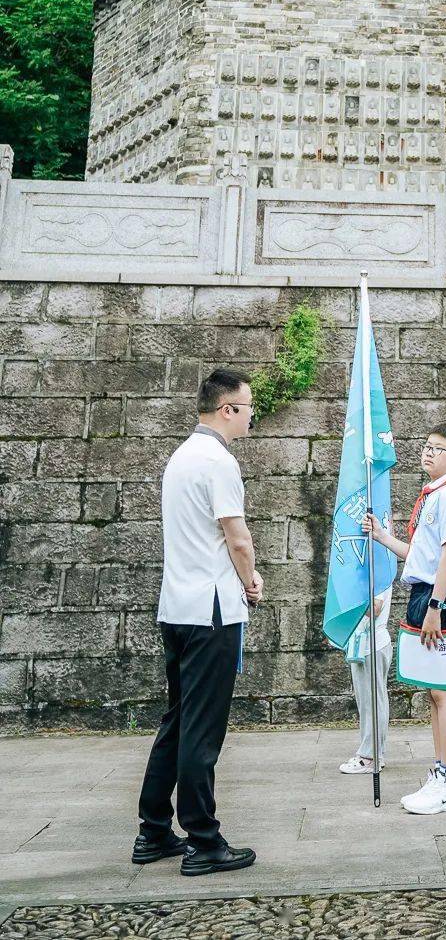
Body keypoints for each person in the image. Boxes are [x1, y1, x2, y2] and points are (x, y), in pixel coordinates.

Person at [133, 368, 260, 876]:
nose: (252, 414)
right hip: (212, 610)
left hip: (177, 607)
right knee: (202, 731)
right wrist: (251, 582)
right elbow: (238, 538)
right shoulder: (218, 462)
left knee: (179, 720)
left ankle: (153, 829)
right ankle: (204, 839)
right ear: (227, 409)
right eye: (248, 406)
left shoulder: (181, 457)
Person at [363, 423, 446, 815]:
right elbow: (420, 555)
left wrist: (436, 608)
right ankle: (441, 772)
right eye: (426, 446)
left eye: (437, 448)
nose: (428, 452)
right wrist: (381, 536)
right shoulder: (432, 496)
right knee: (432, 691)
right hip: (424, 592)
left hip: (442, 599)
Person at [340, 585, 393, 776]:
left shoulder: (377, 571)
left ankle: (370, 757)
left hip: (372, 644)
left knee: (372, 702)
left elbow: (375, 608)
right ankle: (373, 754)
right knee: (368, 701)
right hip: (366, 644)